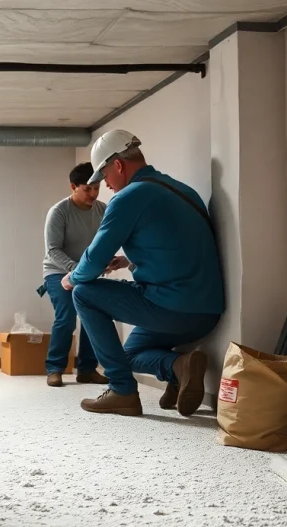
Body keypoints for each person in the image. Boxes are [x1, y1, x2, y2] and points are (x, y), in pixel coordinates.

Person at [61, 129, 224, 417]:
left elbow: (94, 259)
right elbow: (179, 249)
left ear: (119, 165)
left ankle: (122, 391)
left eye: (104, 176)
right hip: (207, 313)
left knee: (84, 293)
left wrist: (71, 277)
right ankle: (178, 368)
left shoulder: (129, 197)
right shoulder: (182, 190)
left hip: (171, 309)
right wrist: (129, 262)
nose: (105, 185)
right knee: (127, 355)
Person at [39, 162, 110, 388]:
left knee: (93, 316)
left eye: (96, 188)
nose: (93, 194)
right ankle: (55, 369)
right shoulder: (59, 212)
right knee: (67, 317)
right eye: (87, 189)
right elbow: (53, 250)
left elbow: (105, 242)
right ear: (73, 187)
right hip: (58, 271)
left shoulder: (103, 209)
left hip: (87, 272)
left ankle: (87, 370)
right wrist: (77, 270)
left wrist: (106, 261)